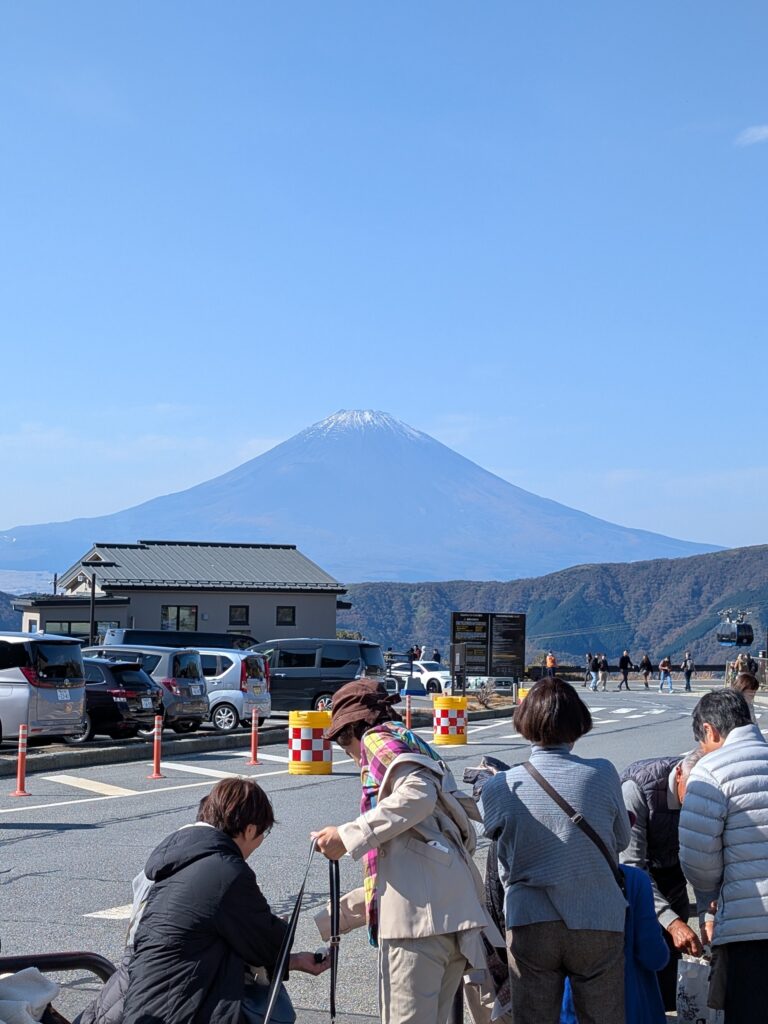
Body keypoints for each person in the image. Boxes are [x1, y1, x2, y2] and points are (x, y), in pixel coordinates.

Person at [311, 679, 501, 1024]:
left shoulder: (376, 738)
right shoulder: (410, 740)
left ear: (354, 726)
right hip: (451, 915)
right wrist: (335, 917)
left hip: (416, 928)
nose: (350, 754)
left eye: (343, 741)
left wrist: (348, 835)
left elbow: (417, 794)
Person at [480, 677, 631, 1024]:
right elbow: (621, 840)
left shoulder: (500, 785)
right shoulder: (604, 773)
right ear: (578, 724)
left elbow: (488, 836)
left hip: (531, 919)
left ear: (524, 723)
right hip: (597, 916)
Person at [121, 778, 327, 1024]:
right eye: (263, 832)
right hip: (186, 1010)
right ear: (250, 830)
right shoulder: (226, 872)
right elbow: (271, 945)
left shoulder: (173, 859)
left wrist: (292, 961)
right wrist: (272, 924)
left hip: (145, 1003)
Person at [679, 690, 768, 1024]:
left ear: (710, 731)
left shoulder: (712, 771)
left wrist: (714, 889)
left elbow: (698, 862)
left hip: (748, 929)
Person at [620, 750, 704, 1011]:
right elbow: (633, 866)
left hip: (674, 875)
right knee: (647, 959)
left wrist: (707, 912)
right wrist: (672, 921)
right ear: (679, 774)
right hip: (637, 883)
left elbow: (707, 858)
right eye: (691, 794)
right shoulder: (637, 788)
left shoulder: (707, 794)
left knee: (673, 961)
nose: (695, 804)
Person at [560, 864, 669, 1024]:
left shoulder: (557, 879)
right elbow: (654, 957)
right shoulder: (635, 880)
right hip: (629, 1005)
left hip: (574, 1006)